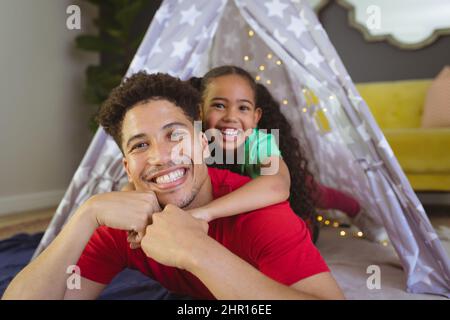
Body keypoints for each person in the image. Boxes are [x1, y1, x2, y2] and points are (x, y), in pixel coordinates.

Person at [3, 72, 344, 300]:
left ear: (203, 143)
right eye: (139, 145)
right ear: (127, 166)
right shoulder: (123, 221)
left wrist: (197, 251)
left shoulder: (261, 212)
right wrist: (85, 215)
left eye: (175, 135)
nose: (161, 157)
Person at [186, 65, 387, 243]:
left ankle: (355, 210)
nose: (231, 117)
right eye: (219, 105)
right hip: (230, 216)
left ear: (256, 118)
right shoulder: (191, 138)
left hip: (286, 216)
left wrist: (206, 212)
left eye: (243, 108)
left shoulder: (258, 143)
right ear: (200, 111)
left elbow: (277, 185)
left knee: (310, 191)